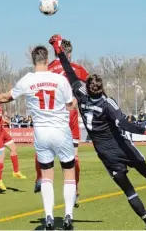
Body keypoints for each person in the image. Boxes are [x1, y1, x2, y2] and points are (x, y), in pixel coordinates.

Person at [49, 34, 146, 230]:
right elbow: (125, 125)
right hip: (121, 146)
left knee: (129, 191)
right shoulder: (107, 103)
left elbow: (69, 72)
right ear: (101, 88)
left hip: (106, 153)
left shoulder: (80, 93)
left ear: (87, 87)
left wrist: (58, 50)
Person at [0, 46, 78, 230]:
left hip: (41, 132)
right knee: (69, 172)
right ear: (47, 60)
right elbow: (71, 104)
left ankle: (48, 216)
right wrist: (74, 103)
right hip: (61, 131)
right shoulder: (60, 79)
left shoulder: (28, 80)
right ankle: (68, 216)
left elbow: (7, 97)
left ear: (33, 61)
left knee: (47, 175)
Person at [34, 39, 89, 209]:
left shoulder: (47, 68)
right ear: (69, 53)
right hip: (69, 115)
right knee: (74, 157)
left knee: (43, 150)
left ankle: (40, 178)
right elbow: (91, 83)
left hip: (49, 115)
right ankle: (76, 191)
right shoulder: (75, 68)